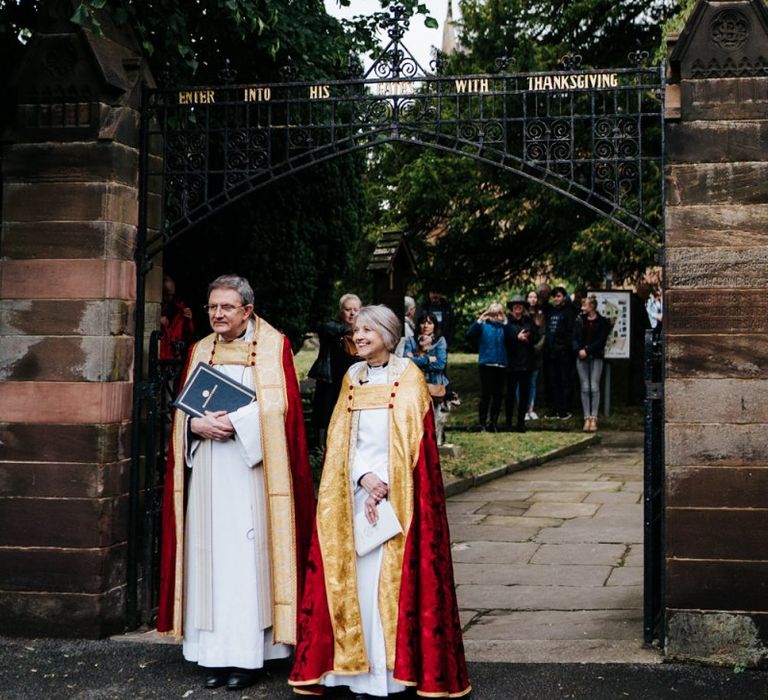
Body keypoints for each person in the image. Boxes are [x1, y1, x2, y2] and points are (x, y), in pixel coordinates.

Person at [289, 305, 470, 698]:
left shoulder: (410, 377)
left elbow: (417, 444)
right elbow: (340, 440)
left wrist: (387, 482)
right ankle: (351, 673)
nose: (360, 336)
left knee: (388, 588)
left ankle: (390, 675)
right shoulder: (351, 377)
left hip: (397, 498)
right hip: (354, 493)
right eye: (357, 330)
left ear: (388, 334)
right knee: (354, 584)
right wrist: (362, 478)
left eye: (368, 330)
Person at [157, 274, 315, 691]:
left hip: (251, 476)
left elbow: (281, 408)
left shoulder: (274, 346)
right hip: (208, 472)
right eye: (212, 307)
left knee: (246, 564)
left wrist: (236, 422)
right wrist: (196, 426)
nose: (217, 314)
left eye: (226, 307)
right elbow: (183, 411)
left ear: (247, 310)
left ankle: (248, 657)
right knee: (210, 560)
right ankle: (212, 654)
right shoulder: (199, 350)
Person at [309, 293, 361, 437]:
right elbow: (326, 329)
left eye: (356, 310)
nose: (352, 313)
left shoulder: (363, 332)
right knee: (330, 424)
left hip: (354, 383)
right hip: (332, 382)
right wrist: (352, 330)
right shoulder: (331, 327)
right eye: (348, 309)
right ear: (341, 311)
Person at [466, 302, 508, 432]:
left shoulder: (503, 327)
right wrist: (480, 319)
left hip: (501, 363)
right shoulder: (484, 326)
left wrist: (505, 320)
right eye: (492, 313)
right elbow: (469, 335)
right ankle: (482, 422)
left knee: (498, 395)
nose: (495, 316)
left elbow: (512, 336)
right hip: (486, 363)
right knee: (486, 394)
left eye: (498, 313)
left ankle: (493, 422)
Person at [572, 295, 611, 432]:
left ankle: (594, 417)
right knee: (584, 387)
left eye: (586, 305)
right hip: (581, 356)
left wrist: (587, 350)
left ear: (592, 306)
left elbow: (601, 340)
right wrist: (578, 350)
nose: (583, 307)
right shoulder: (579, 320)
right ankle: (586, 417)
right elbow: (574, 338)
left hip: (595, 356)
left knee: (594, 386)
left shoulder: (603, 322)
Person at [504, 295, 539, 432]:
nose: (517, 308)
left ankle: (520, 423)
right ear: (512, 307)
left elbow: (536, 337)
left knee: (524, 394)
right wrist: (517, 337)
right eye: (515, 305)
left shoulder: (528, 321)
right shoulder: (507, 322)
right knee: (510, 394)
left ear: (523, 307)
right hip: (512, 363)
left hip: (526, 363)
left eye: (520, 305)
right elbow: (505, 338)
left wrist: (527, 338)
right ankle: (508, 422)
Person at [543, 286, 576, 420]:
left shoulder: (568, 312)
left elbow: (570, 332)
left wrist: (564, 347)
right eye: (555, 296)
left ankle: (564, 409)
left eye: (559, 296)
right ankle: (554, 408)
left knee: (564, 380)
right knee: (553, 380)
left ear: (564, 297)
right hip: (551, 352)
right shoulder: (550, 311)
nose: (557, 298)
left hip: (563, 352)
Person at [404, 310, 449, 399]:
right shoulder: (411, 340)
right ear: (418, 325)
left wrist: (416, 360)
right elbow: (406, 362)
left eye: (429, 323)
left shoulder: (440, 341)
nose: (426, 326)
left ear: (434, 325)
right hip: (414, 384)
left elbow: (440, 365)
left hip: (435, 385)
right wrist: (428, 359)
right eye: (423, 323)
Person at [159, 275, 195, 362]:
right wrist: (157, 320)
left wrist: (189, 320)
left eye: (171, 295)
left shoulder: (178, 310)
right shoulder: (155, 308)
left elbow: (189, 335)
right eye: (166, 294)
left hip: (174, 358)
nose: (168, 298)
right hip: (159, 356)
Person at [524, 289, 544, 421]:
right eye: (530, 297)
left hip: (536, 352)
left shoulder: (540, 315)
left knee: (532, 382)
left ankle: (531, 409)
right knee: (521, 382)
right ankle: (523, 409)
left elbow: (544, 333)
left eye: (534, 297)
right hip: (523, 352)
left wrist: (538, 347)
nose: (532, 299)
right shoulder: (522, 314)